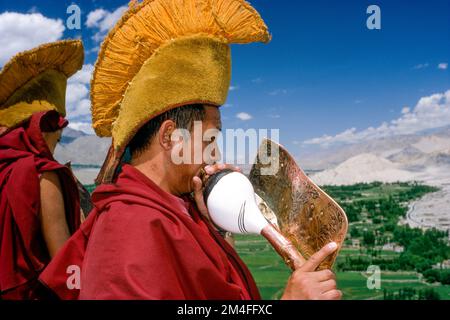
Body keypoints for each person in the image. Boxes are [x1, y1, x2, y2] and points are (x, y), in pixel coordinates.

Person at [40, 0, 341, 300]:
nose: (215, 157)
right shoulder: (129, 230)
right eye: (210, 141)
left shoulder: (178, 210)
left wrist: (216, 228)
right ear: (171, 137)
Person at [0, 40, 84, 299]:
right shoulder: (41, 173)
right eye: (57, 140)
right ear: (41, 130)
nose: (54, 150)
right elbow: (65, 262)